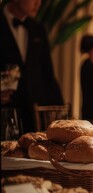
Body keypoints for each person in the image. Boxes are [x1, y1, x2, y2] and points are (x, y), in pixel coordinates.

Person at [0, 0, 63, 133]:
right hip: (5, 113)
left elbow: (47, 74)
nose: (39, 3)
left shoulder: (38, 29)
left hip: (33, 117)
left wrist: (61, 113)